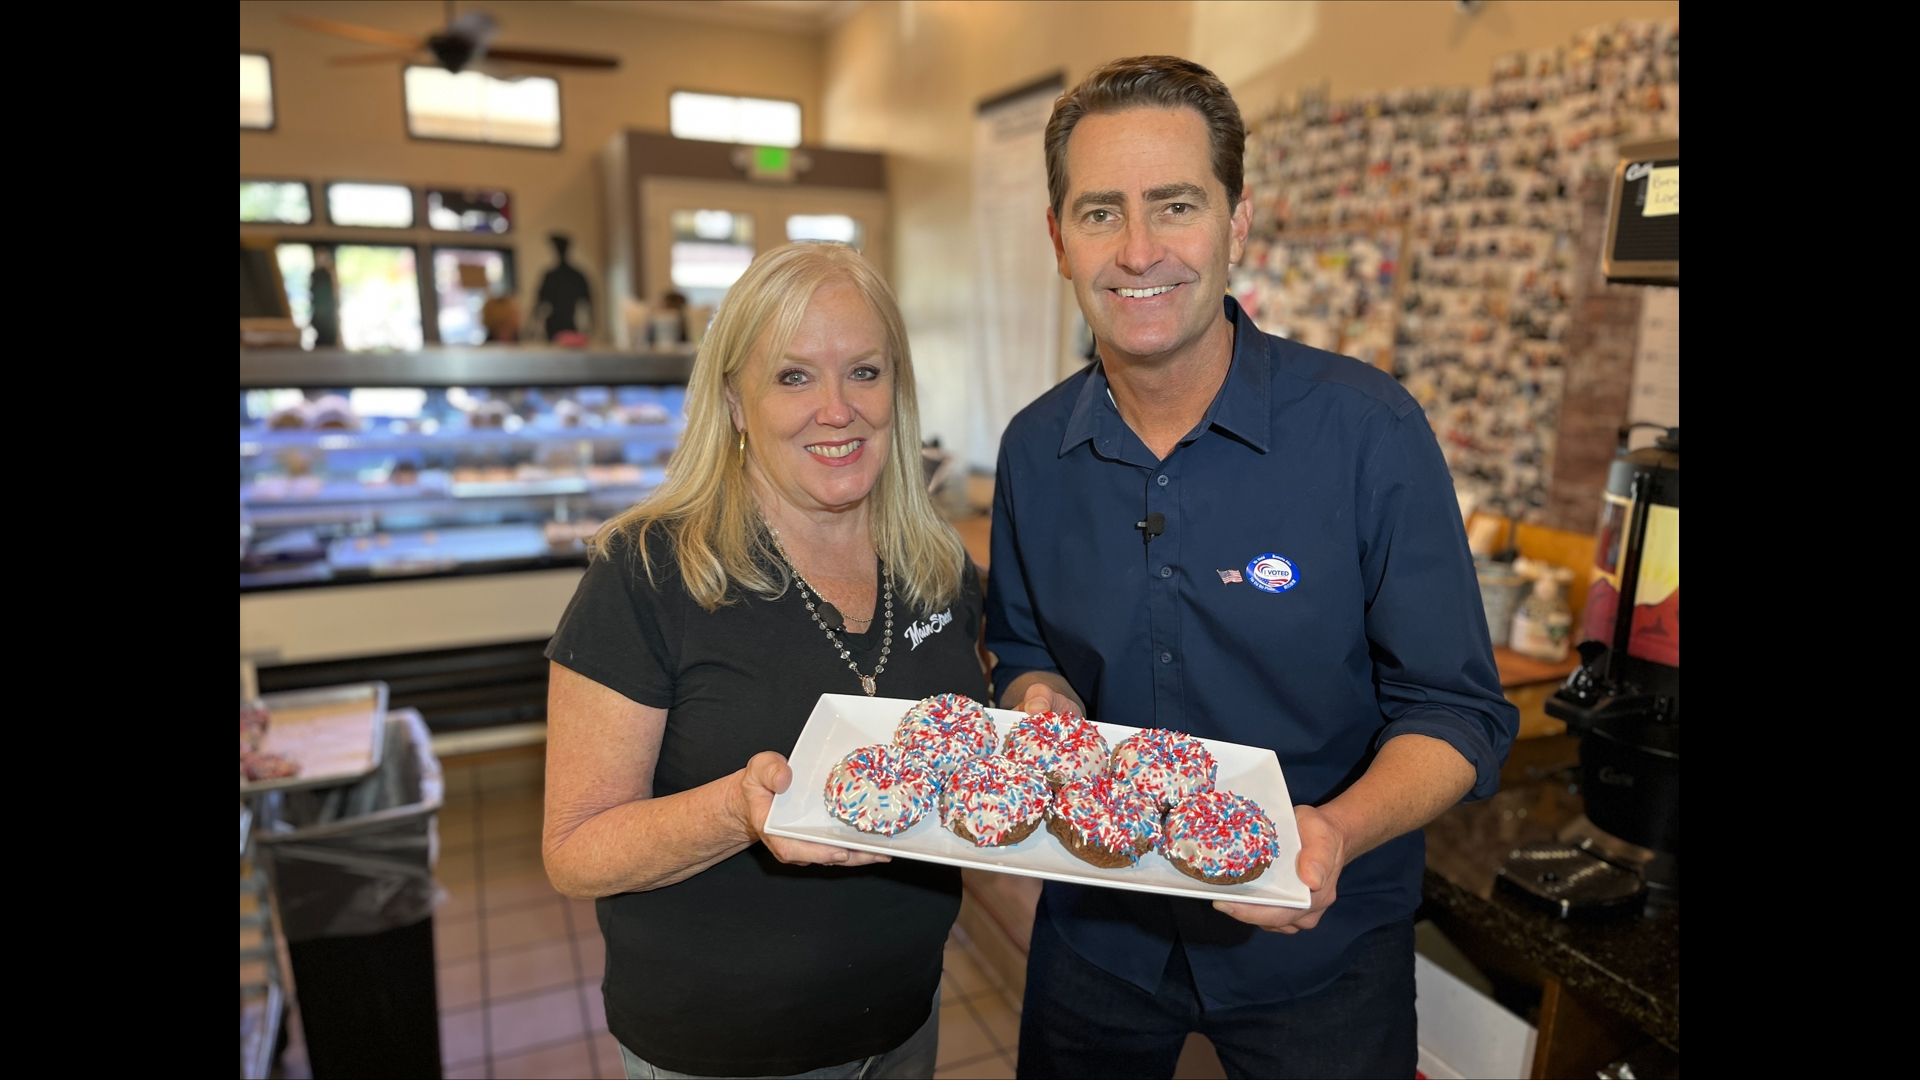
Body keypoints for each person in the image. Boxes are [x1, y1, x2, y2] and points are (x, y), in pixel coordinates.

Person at [985, 57, 1519, 1078]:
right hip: (1099, 932)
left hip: (1323, 948)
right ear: (1058, 240)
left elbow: (1458, 711)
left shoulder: (1370, 432)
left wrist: (1334, 832)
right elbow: (1018, 644)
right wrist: (1037, 689)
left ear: (1235, 224)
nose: (1139, 250)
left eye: (1175, 204)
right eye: (1101, 213)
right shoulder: (1031, 452)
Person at [542, 243, 987, 1079]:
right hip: (722, 1048)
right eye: (792, 378)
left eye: (864, 372)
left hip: (906, 1017)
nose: (837, 409)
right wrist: (738, 812)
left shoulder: (937, 568)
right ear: (734, 402)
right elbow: (574, 850)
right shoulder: (649, 572)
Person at [534, 233, 593, 342]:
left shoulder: (575, 276)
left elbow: (589, 303)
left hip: (570, 325)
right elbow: (539, 303)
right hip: (553, 326)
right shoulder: (551, 276)